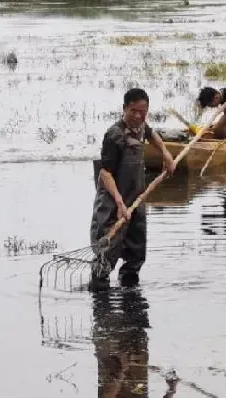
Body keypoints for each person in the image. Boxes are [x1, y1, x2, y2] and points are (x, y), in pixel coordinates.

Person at [90, 88, 176, 290]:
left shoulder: (141, 127)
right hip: (113, 202)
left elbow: (151, 133)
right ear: (124, 109)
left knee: (136, 252)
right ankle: (100, 300)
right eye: (133, 111)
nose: (138, 116)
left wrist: (165, 154)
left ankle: (130, 297)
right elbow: (105, 173)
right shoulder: (114, 136)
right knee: (107, 254)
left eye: (142, 111)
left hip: (136, 199)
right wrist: (119, 203)